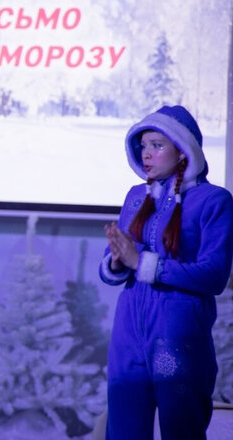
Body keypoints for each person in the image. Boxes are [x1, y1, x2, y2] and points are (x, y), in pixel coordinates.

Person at [99, 105, 233, 439]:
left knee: (181, 427)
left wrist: (143, 263)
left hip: (177, 331)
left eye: (157, 145)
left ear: (183, 150)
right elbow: (119, 262)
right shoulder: (136, 197)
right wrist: (117, 259)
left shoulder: (213, 201)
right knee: (124, 427)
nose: (146, 154)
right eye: (143, 145)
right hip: (128, 329)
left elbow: (214, 275)